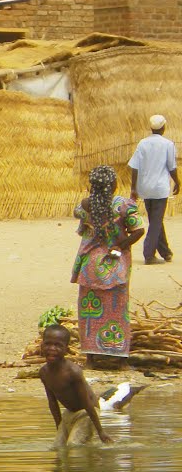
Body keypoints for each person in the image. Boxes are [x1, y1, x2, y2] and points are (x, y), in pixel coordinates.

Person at [72, 165, 144, 362]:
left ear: (91, 186)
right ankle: (120, 357)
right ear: (113, 185)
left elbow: (80, 223)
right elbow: (138, 230)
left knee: (88, 310)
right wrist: (122, 244)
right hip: (115, 265)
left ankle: (91, 357)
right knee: (118, 309)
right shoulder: (123, 205)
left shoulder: (85, 206)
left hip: (89, 266)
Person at [38, 324, 113, 445]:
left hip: (87, 412)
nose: (52, 348)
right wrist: (59, 427)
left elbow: (87, 402)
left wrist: (100, 431)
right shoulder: (44, 373)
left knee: (73, 446)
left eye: (58, 345)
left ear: (66, 349)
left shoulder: (73, 372)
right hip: (69, 412)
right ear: (42, 345)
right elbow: (52, 402)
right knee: (58, 447)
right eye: (48, 344)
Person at [128, 114, 179, 265]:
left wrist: (133, 188)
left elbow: (134, 167)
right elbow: (172, 167)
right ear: (164, 127)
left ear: (151, 128)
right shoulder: (168, 144)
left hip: (145, 187)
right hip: (160, 188)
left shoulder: (142, 144)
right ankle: (149, 254)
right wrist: (177, 182)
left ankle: (166, 252)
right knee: (156, 222)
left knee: (155, 220)